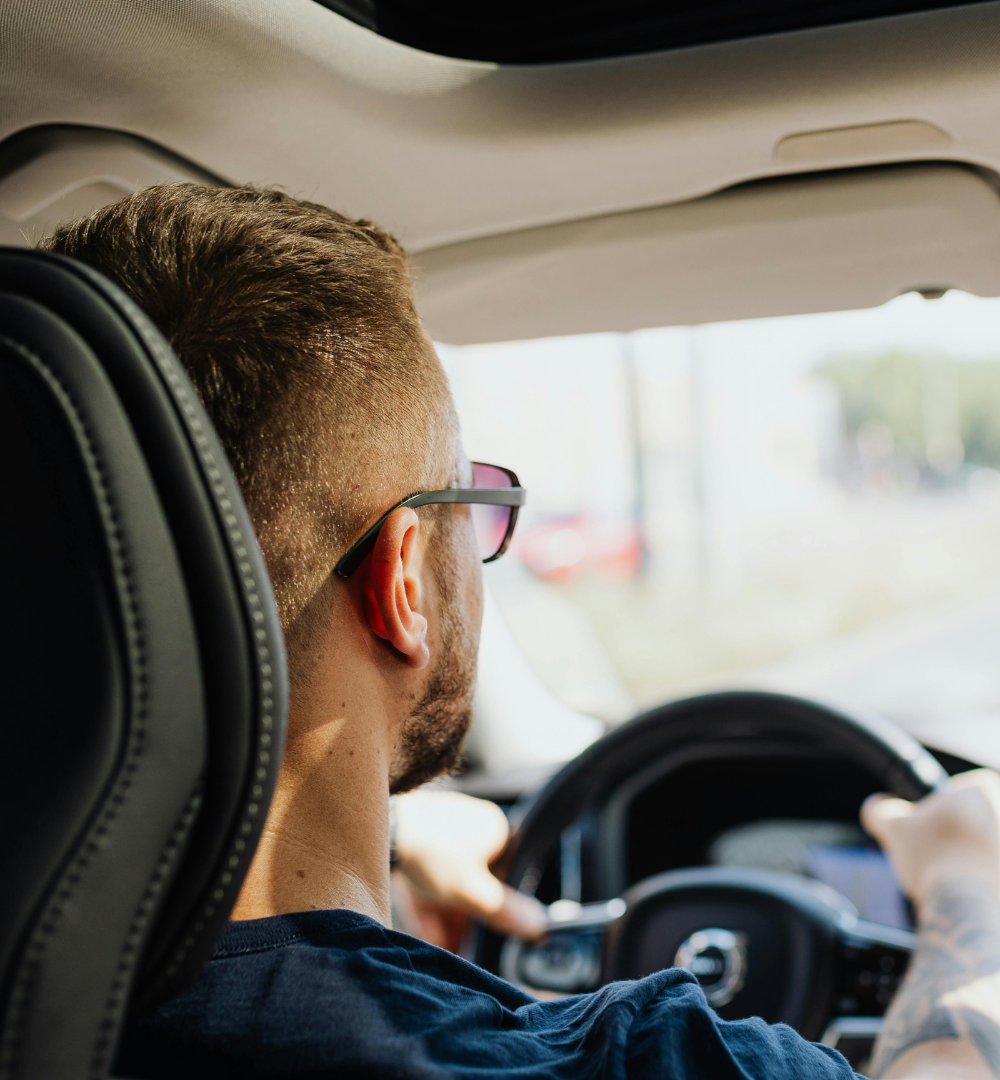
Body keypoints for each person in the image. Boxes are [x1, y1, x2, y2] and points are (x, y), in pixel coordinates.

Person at [44, 184, 1000, 1080]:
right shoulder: (635, 1059)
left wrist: (379, 843)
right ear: (404, 577)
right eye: (479, 504)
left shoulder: (46, 1005)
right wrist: (969, 886)